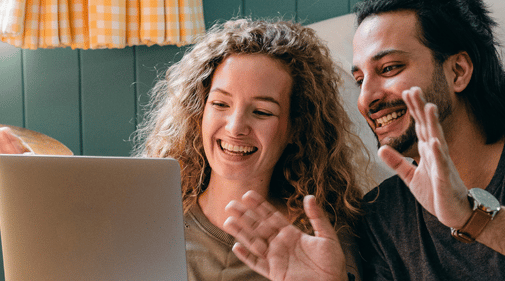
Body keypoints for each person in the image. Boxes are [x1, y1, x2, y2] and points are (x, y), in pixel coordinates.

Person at [222, 0, 505, 280]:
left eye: (388, 69)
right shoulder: (381, 217)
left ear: (458, 71)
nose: (367, 96)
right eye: (359, 79)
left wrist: (472, 217)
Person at [1, 18, 367, 280]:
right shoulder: (144, 220)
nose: (236, 126)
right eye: (220, 104)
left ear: (294, 127)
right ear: (198, 112)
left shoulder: (321, 242)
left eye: (262, 111)